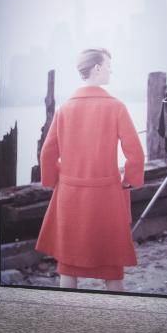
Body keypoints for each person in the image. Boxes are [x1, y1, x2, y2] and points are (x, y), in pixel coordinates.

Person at [35, 48, 145, 291]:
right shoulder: (116, 107)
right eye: (108, 66)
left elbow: (47, 153)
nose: (111, 71)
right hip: (106, 195)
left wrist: (54, 181)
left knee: (67, 265)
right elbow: (135, 154)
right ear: (96, 68)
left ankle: (68, 319)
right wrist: (129, 180)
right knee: (112, 266)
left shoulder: (65, 108)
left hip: (70, 195)